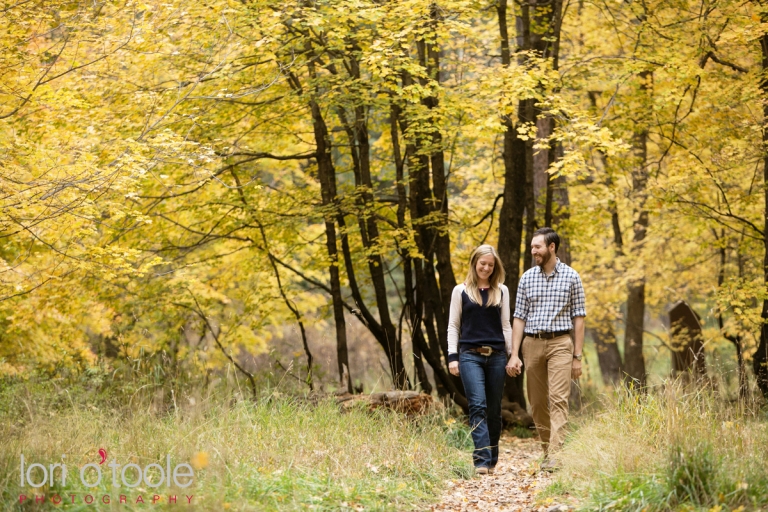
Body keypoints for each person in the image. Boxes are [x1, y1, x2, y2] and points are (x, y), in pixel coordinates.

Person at [506, 227, 586, 471]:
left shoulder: (572, 277)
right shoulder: (527, 278)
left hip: (561, 343)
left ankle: (556, 455)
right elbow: (519, 317)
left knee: (559, 399)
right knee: (538, 403)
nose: (533, 251)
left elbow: (579, 318)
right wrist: (514, 354)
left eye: (537, 247)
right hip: (532, 344)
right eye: (532, 247)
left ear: (552, 247)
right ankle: (547, 449)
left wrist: (577, 357)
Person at [447, 244, 512, 476]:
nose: (486, 268)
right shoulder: (460, 291)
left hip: (497, 357)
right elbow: (453, 325)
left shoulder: (502, 291)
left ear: (495, 267)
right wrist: (452, 357)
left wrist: (512, 356)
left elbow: (506, 326)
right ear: (474, 263)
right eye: (482, 263)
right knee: (477, 406)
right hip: (469, 356)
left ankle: (492, 458)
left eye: (490, 265)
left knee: (494, 410)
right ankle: (481, 460)